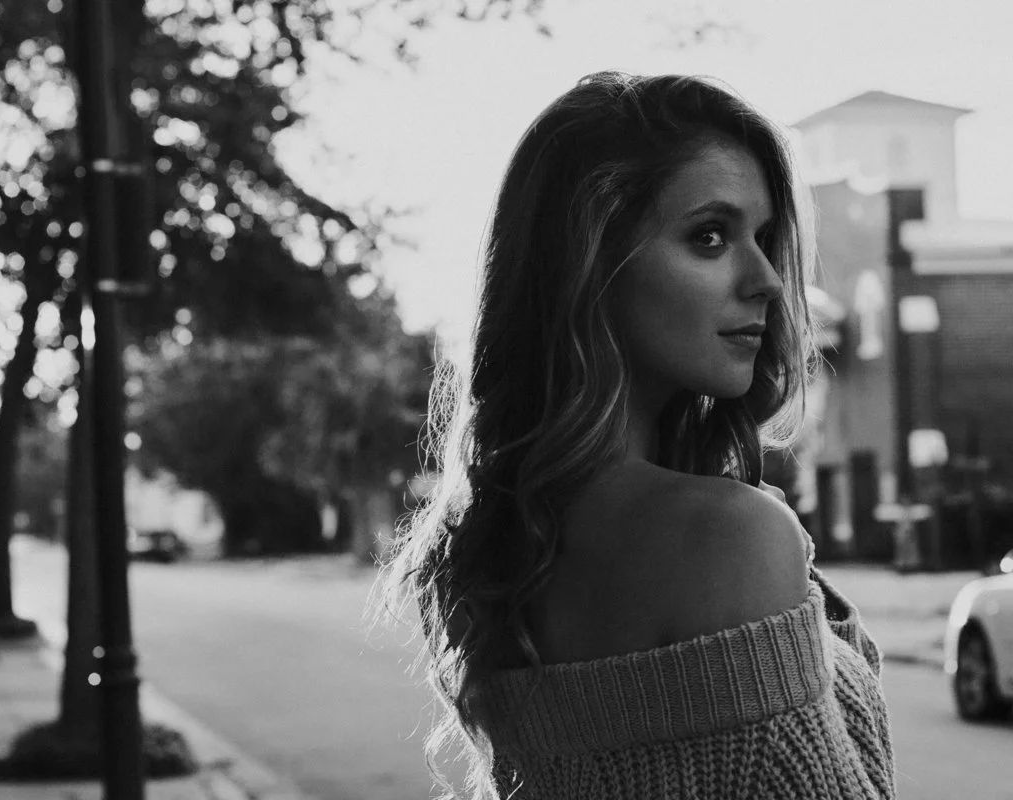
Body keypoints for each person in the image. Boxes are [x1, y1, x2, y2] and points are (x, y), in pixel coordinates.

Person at [373, 72, 895, 799]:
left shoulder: (503, 544)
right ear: (591, 267)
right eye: (709, 236)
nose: (768, 281)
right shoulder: (728, 536)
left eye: (765, 237)